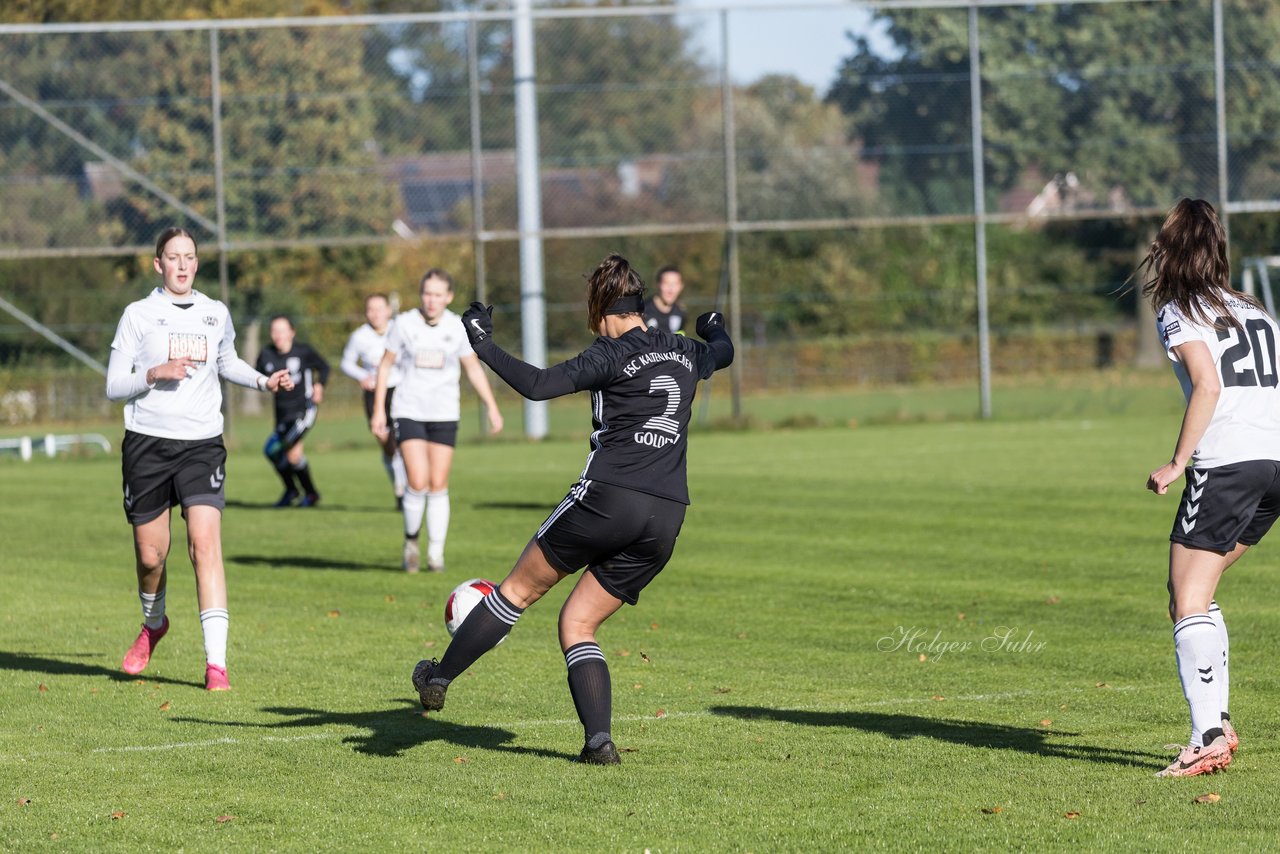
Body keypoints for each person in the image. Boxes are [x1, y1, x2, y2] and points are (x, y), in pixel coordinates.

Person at [410, 253, 733, 764]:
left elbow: (538, 387)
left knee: (517, 591)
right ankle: (598, 743)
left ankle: (438, 677)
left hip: (608, 496)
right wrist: (713, 326)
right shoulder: (684, 350)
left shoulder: (610, 354)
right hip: (667, 514)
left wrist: (482, 342)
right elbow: (722, 351)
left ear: (601, 309)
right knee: (578, 624)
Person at [105, 227, 293, 691]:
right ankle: (154, 624)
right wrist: (154, 373)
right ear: (158, 264)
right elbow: (113, 385)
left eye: (189, 257)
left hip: (202, 445)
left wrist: (263, 381)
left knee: (204, 546)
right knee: (151, 557)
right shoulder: (138, 315)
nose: (182, 265)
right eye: (173, 257)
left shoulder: (215, 313)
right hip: (147, 444)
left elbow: (227, 363)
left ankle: (216, 665)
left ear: (196, 262)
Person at [1140, 198, 1280, 777]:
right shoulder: (1254, 310)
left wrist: (1179, 462)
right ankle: (1217, 721)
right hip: (1273, 466)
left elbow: (1208, 384)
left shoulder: (1180, 309)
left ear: (1170, 248)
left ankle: (1207, 737)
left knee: (1187, 598)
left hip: (1227, 467)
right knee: (1196, 591)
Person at [369, 268, 504, 573]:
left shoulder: (457, 327)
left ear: (449, 297)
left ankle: (435, 554)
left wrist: (492, 406)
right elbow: (385, 365)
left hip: (444, 413)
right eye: (427, 293)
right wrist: (379, 409)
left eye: (438, 295)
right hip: (409, 410)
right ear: (421, 295)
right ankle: (411, 542)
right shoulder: (404, 324)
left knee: (438, 483)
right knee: (417, 481)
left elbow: (472, 368)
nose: (431, 300)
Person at [256, 315, 330, 507]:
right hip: (282, 414)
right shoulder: (266, 354)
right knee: (274, 452)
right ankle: (297, 491)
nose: (278, 335)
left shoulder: (303, 352)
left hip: (304, 411)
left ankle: (306, 494)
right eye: (274, 331)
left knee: (288, 452)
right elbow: (257, 377)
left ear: (292, 332)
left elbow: (324, 367)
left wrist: (319, 385)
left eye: (282, 330)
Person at [341, 293, 406, 508]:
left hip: (400, 390)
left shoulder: (400, 329)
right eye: (370, 309)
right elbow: (346, 363)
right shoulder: (360, 336)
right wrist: (362, 376)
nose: (375, 313)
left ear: (388, 310)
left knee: (402, 443)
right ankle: (399, 488)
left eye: (379, 308)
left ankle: (406, 491)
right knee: (386, 444)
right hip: (374, 393)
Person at [644, 264, 687, 335]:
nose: (671, 290)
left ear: (681, 286)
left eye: (675, 284)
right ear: (658, 285)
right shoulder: (642, 311)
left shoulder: (681, 313)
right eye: (666, 283)